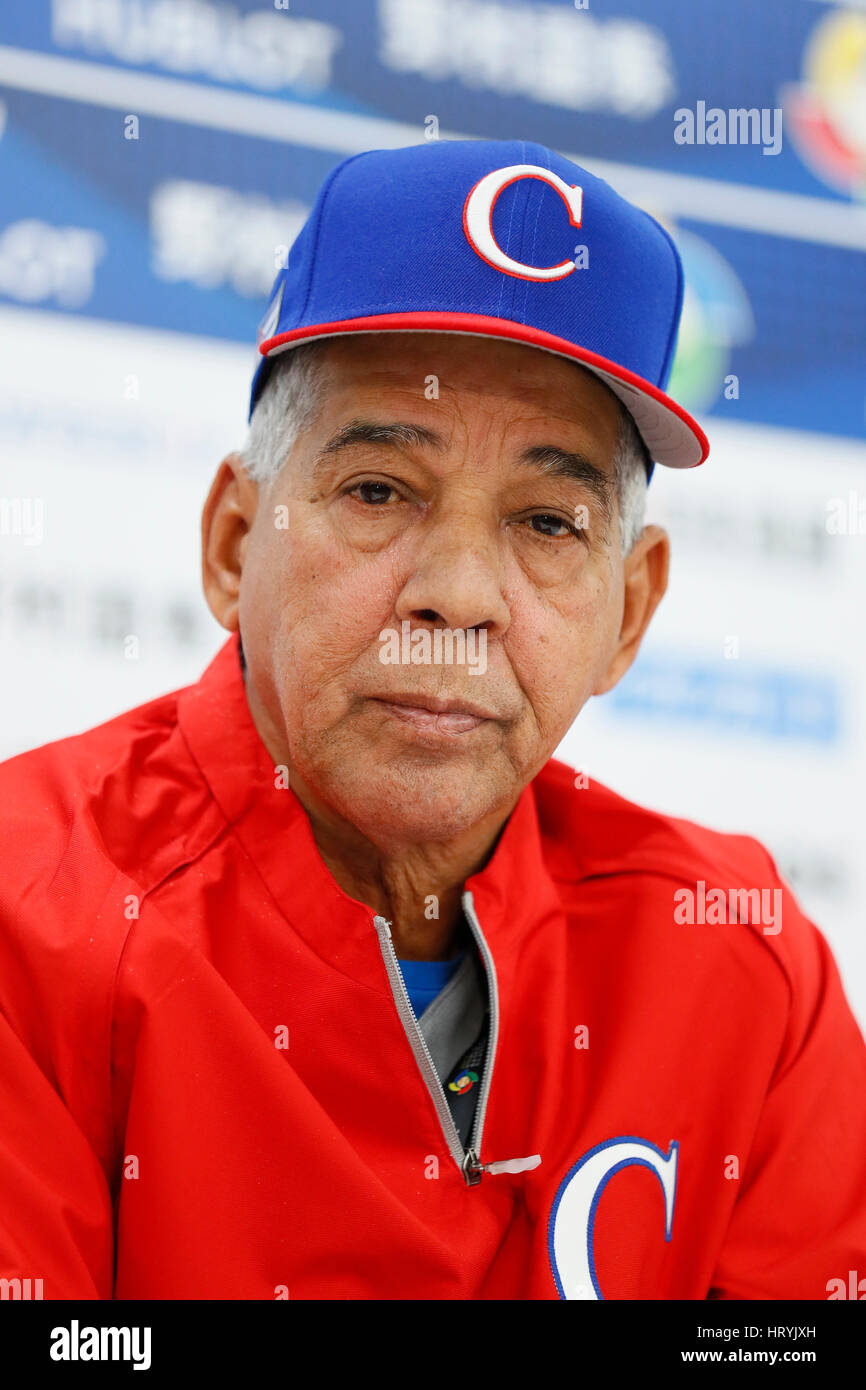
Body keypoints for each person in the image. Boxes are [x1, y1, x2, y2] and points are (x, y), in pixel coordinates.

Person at [1, 139, 863, 1301]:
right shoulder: (30, 911)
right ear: (234, 542)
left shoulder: (738, 966)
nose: (456, 594)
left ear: (627, 611)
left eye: (547, 523)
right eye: (377, 490)